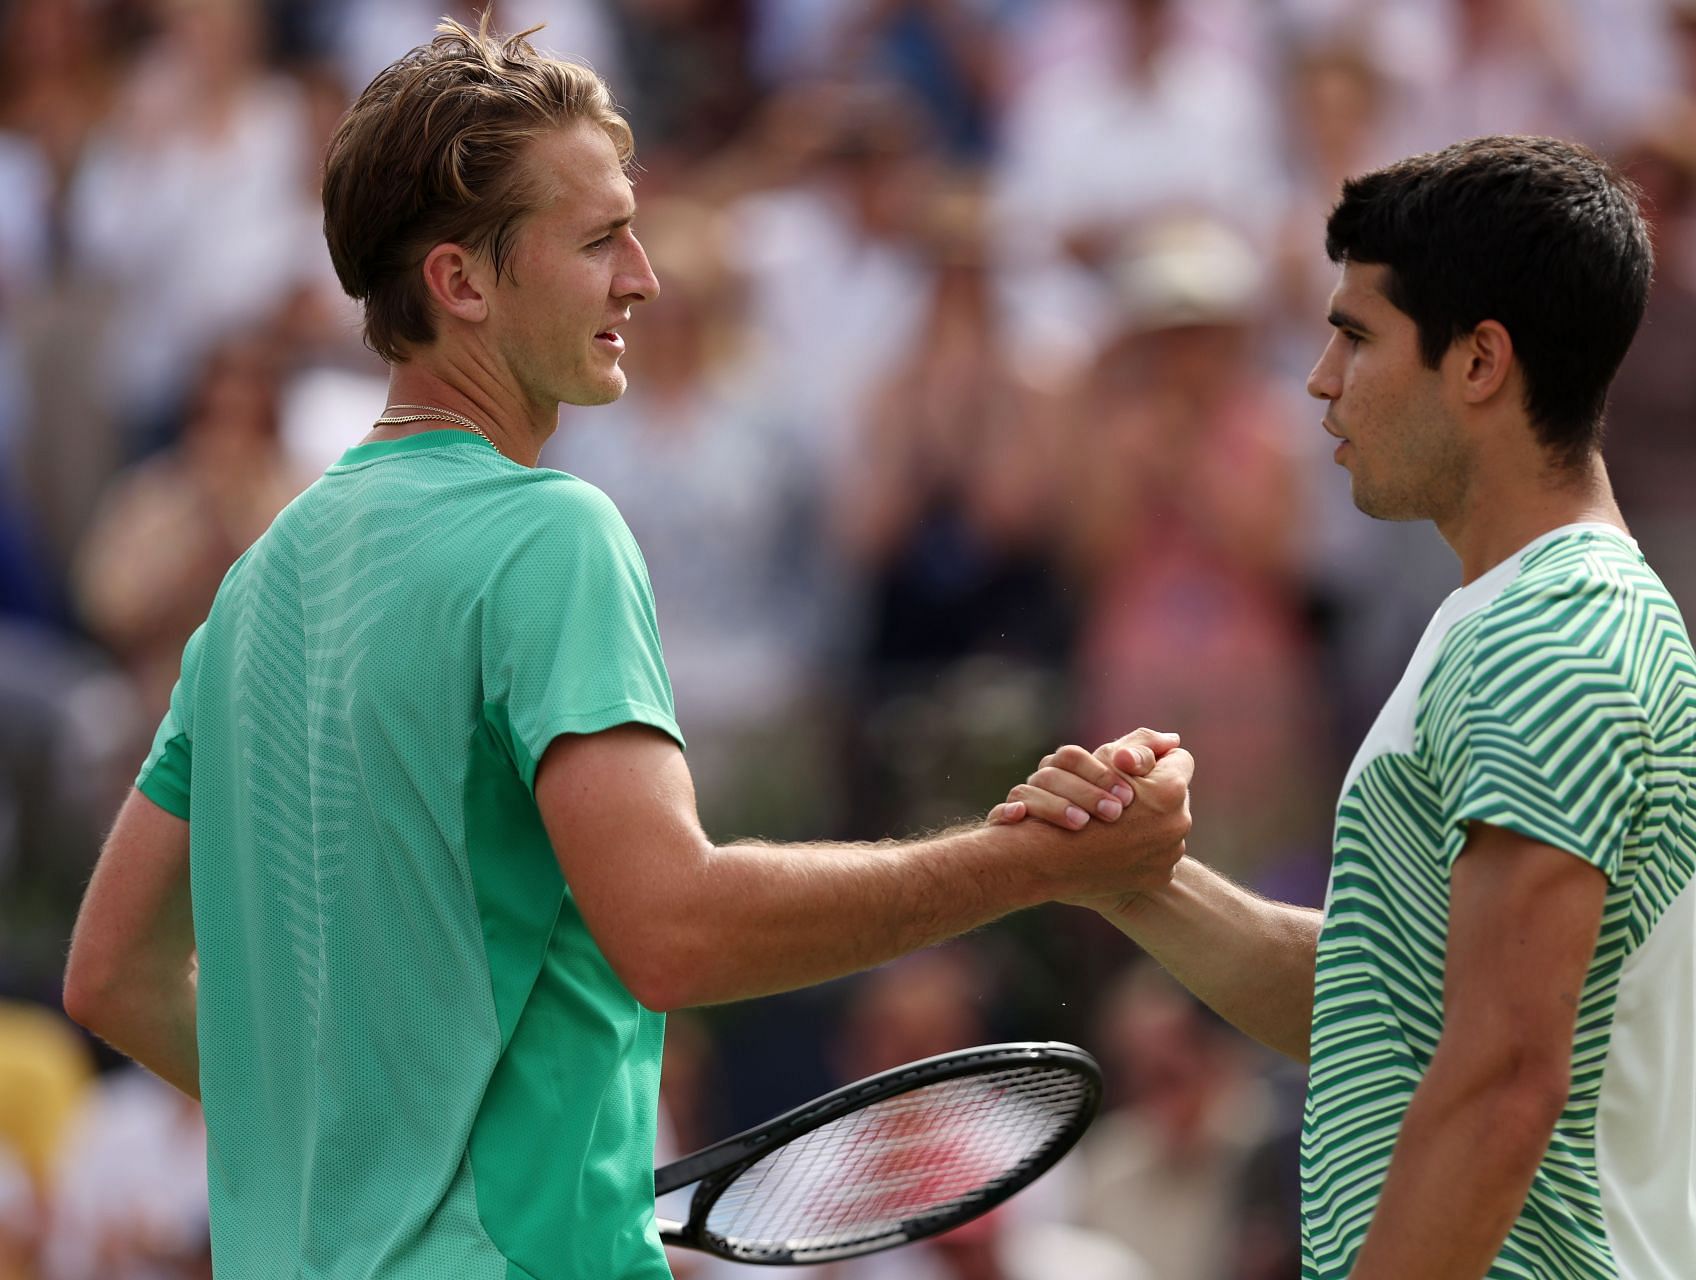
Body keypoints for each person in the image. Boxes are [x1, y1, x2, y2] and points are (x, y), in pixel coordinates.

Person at [58, 17, 1193, 1279]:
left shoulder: (251, 590)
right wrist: (1024, 862)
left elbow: (112, 974)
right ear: (463, 281)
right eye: (599, 238)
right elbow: (675, 929)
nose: (643, 277)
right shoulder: (552, 535)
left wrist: (375, 1145)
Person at [999, 135, 1696, 1278]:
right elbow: (1392, 1007)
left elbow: (1500, 1085)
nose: (1322, 378)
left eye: (1356, 336)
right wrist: (1136, 876)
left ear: (1479, 362)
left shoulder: (1552, 632)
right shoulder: (1509, 613)